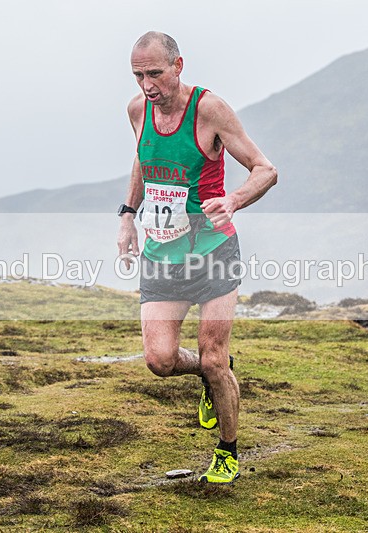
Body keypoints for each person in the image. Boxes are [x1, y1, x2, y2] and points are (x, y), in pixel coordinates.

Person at [116, 31, 277, 483]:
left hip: (213, 251)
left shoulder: (209, 110)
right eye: (138, 75)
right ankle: (212, 376)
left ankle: (227, 449)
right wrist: (128, 216)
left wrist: (235, 200)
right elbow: (143, 160)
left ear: (178, 66)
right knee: (160, 361)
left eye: (155, 73)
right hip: (161, 255)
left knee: (212, 355)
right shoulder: (136, 110)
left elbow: (266, 169)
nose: (147, 85)